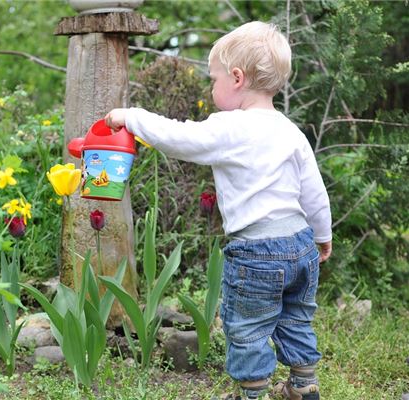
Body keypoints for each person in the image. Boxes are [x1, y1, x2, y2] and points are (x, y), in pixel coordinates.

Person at [105, 21, 331, 400]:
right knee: (295, 318)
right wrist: (322, 236)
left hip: (256, 252)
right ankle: (303, 383)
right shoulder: (290, 131)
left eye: (214, 79)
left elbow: (178, 138)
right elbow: (315, 193)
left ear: (237, 78)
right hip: (300, 244)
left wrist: (130, 117)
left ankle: (252, 394)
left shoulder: (230, 127)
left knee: (248, 327)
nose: (212, 88)